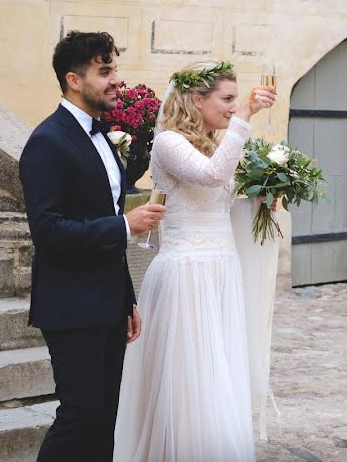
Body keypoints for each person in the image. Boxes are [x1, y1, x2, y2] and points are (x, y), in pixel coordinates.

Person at [114, 61, 276, 461]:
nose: (232, 107)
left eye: (235, 100)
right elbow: (210, 176)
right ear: (197, 99)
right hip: (188, 271)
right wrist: (247, 118)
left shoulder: (211, 141)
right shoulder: (169, 143)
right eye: (226, 99)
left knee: (216, 373)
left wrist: (261, 196)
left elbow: (218, 199)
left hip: (221, 269)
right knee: (189, 379)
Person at [19, 31, 167, 461]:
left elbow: (101, 213)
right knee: (80, 416)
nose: (115, 80)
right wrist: (124, 225)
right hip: (69, 303)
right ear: (73, 80)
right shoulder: (47, 141)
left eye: (115, 69)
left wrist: (125, 299)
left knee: (104, 420)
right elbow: (48, 230)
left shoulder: (101, 135)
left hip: (106, 301)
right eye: (105, 71)